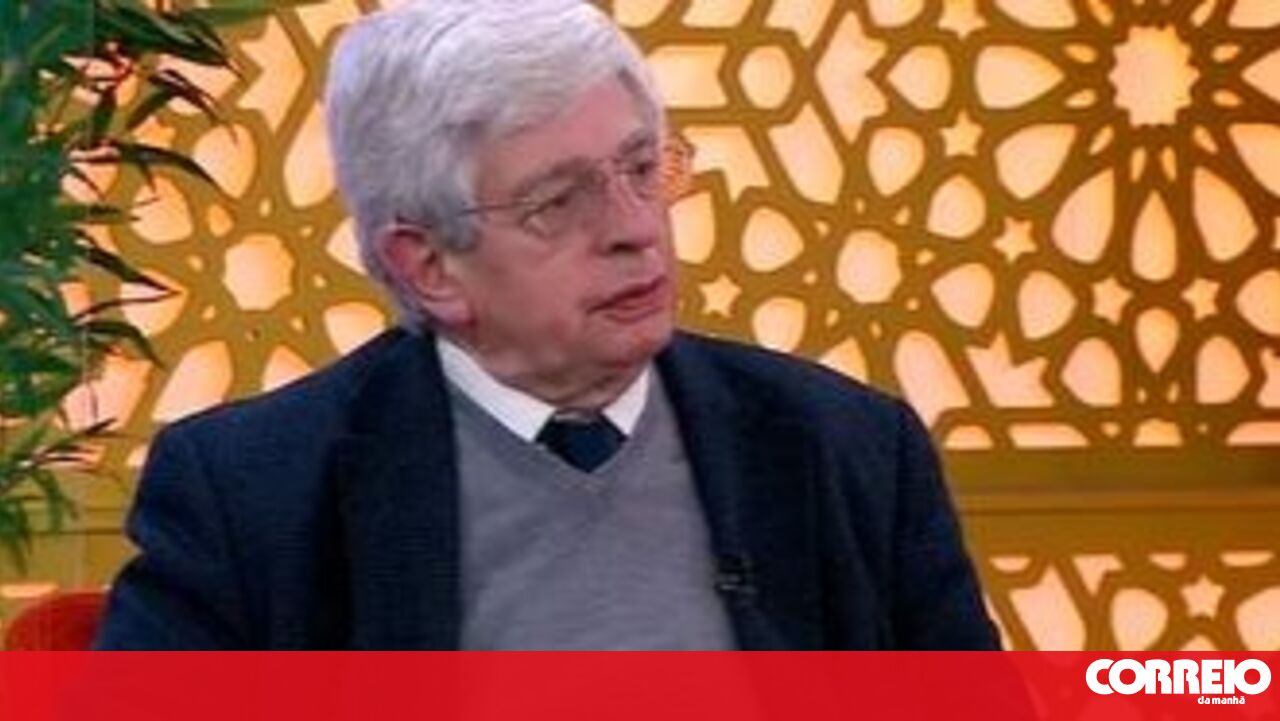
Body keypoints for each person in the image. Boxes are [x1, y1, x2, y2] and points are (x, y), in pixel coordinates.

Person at [95, 0, 998, 650]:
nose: (635, 227)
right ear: (429, 265)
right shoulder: (253, 493)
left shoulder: (849, 448)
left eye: (641, 168)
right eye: (557, 201)